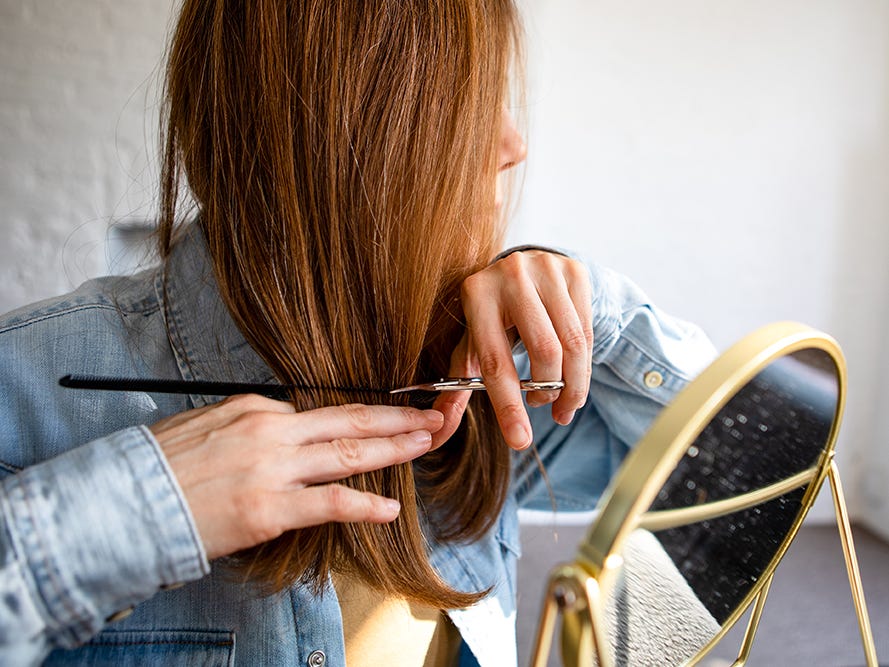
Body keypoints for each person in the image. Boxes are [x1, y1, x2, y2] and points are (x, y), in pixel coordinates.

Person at [0, 1, 716, 665]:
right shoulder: (27, 387)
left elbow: (744, 474)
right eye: (463, 102)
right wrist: (140, 509)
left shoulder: (474, 376)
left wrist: (595, 320)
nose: (511, 143)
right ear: (347, 140)